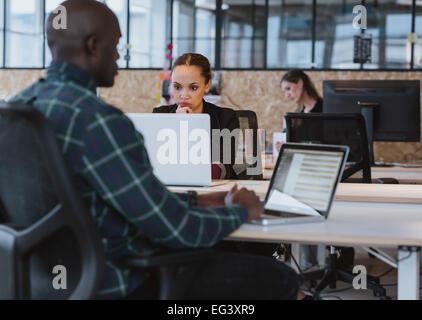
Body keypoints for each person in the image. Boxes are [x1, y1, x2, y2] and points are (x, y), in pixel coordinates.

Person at [10, 0, 300, 300]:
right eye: (116, 45)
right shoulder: (98, 121)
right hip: (120, 279)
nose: (119, 56)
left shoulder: (18, 109)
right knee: (279, 277)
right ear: (94, 45)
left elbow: (122, 197)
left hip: (42, 280)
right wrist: (241, 212)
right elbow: (177, 229)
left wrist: (202, 200)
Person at [153, 53, 241, 180]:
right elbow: (157, 165)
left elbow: (224, 168)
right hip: (174, 190)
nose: (184, 95)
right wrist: (175, 125)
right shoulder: (160, 115)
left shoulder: (226, 117)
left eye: (193, 88)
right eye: (177, 87)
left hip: (214, 192)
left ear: (207, 85)